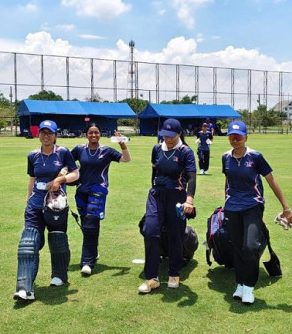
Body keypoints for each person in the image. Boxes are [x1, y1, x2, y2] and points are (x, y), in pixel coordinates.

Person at [222, 120, 292, 305]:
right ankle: (240, 284)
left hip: (252, 206)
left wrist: (286, 208)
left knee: (250, 246)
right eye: (232, 136)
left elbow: (271, 180)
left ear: (246, 137)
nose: (235, 140)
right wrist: (225, 202)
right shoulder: (225, 157)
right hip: (232, 208)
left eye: (239, 136)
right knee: (237, 247)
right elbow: (228, 181)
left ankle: (249, 287)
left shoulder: (255, 157)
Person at [14, 120, 79, 302]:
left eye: (50, 133)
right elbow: (32, 179)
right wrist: (28, 199)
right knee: (28, 244)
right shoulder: (32, 155)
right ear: (39, 134)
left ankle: (59, 275)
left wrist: (60, 180)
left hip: (56, 205)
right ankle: (24, 288)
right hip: (35, 205)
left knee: (58, 240)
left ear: (55, 135)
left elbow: (75, 173)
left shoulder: (63, 152)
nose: (46, 136)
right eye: (43, 132)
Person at [138, 118, 197, 294]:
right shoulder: (156, 149)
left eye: (172, 136)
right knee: (150, 231)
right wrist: (155, 188)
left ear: (179, 134)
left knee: (176, 235)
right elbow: (154, 172)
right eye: (165, 135)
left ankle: (174, 274)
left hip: (177, 196)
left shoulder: (186, 152)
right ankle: (151, 278)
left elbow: (191, 177)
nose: (168, 139)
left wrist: (189, 200)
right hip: (156, 195)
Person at [70, 123, 131, 276]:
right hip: (81, 190)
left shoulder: (107, 151)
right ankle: (93, 252)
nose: (93, 135)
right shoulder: (79, 149)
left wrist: (122, 144)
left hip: (98, 190)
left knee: (91, 223)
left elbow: (126, 159)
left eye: (96, 132)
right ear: (86, 134)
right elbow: (68, 163)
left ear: (100, 134)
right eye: (90, 133)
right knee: (86, 224)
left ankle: (87, 262)